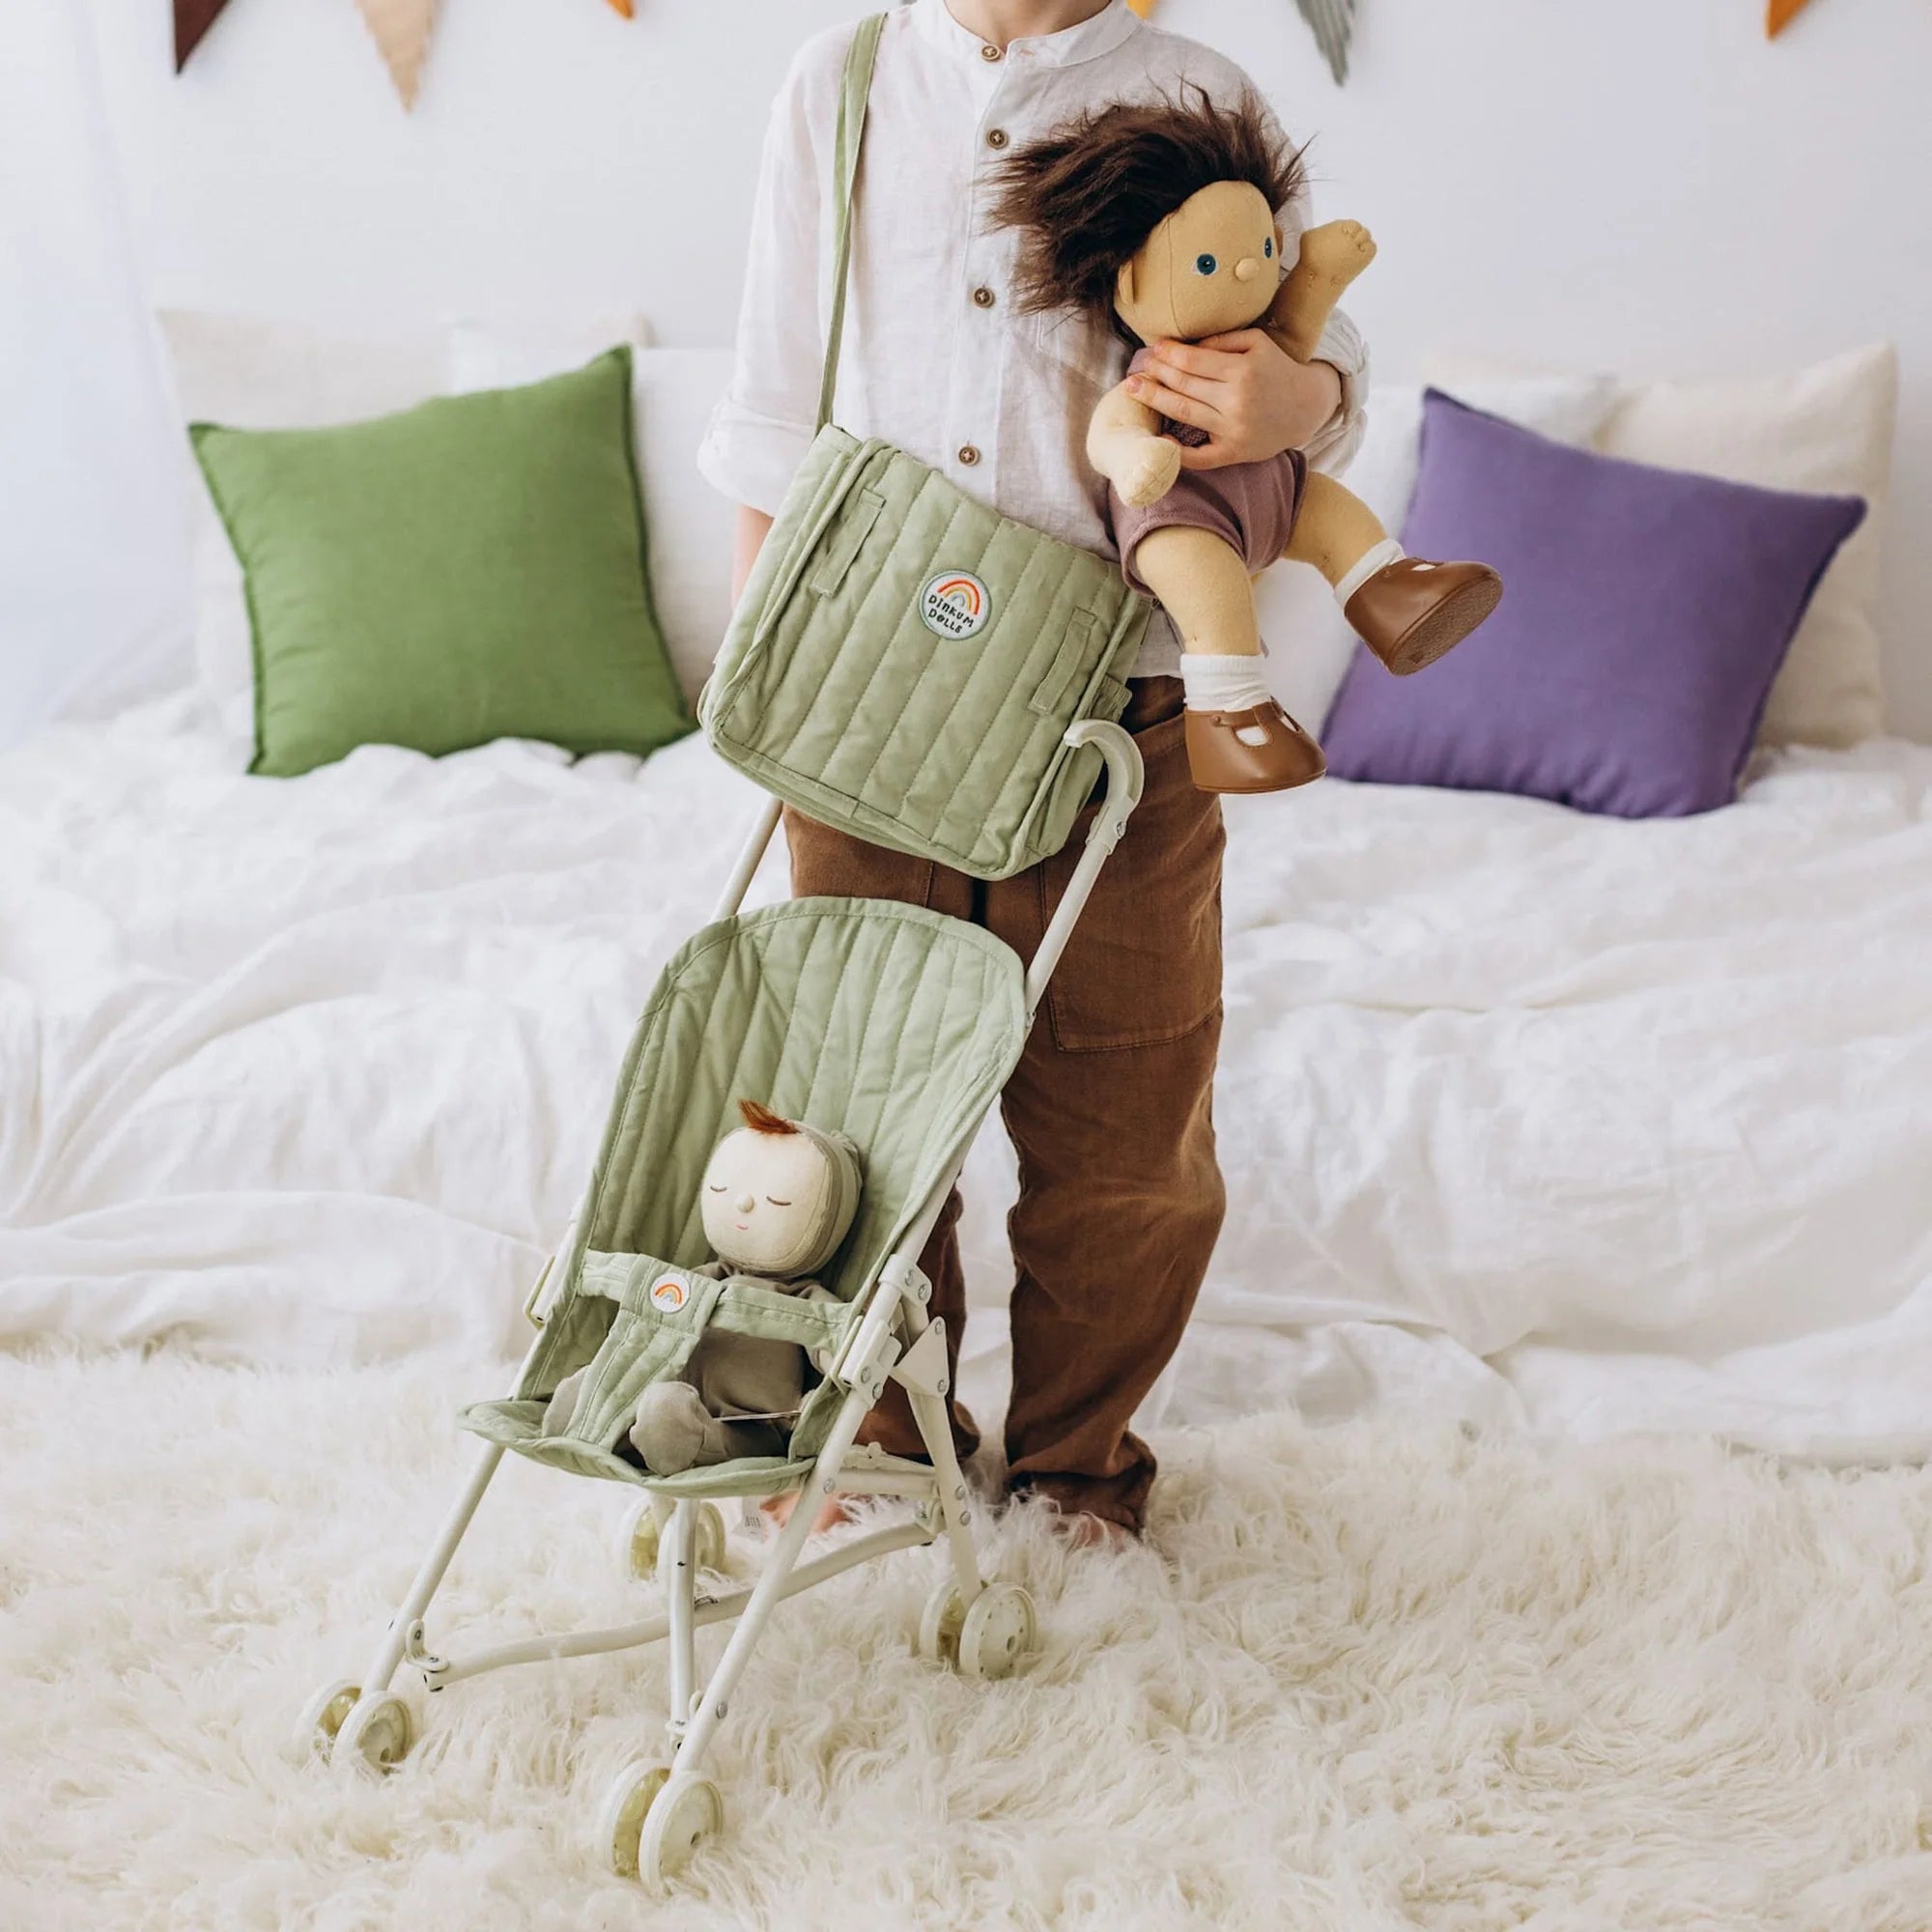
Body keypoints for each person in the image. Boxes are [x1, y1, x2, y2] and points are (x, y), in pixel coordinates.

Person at [696, 0, 1367, 1543]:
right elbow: (768, 409)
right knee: (853, 1104)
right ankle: (877, 1428)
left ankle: (1077, 1467)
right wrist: (768, 687)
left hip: (1119, 711)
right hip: (866, 693)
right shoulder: (842, 84)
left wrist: (1302, 402)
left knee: (1128, 1124)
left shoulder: (1196, 89)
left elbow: (1311, 347)